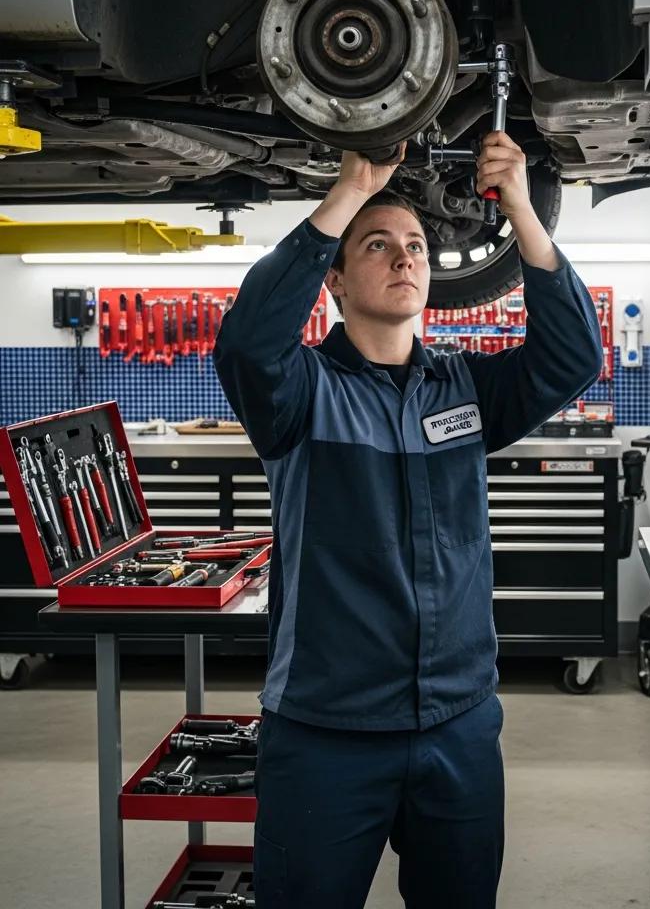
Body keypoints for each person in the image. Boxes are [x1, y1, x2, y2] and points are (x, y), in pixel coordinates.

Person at [214, 130, 603, 908]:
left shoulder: (462, 390)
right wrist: (353, 188)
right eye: (378, 247)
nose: (405, 259)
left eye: (418, 246)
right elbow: (249, 344)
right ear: (334, 277)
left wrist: (522, 207)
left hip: (456, 724)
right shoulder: (300, 395)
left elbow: (571, 359)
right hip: (328, 730)